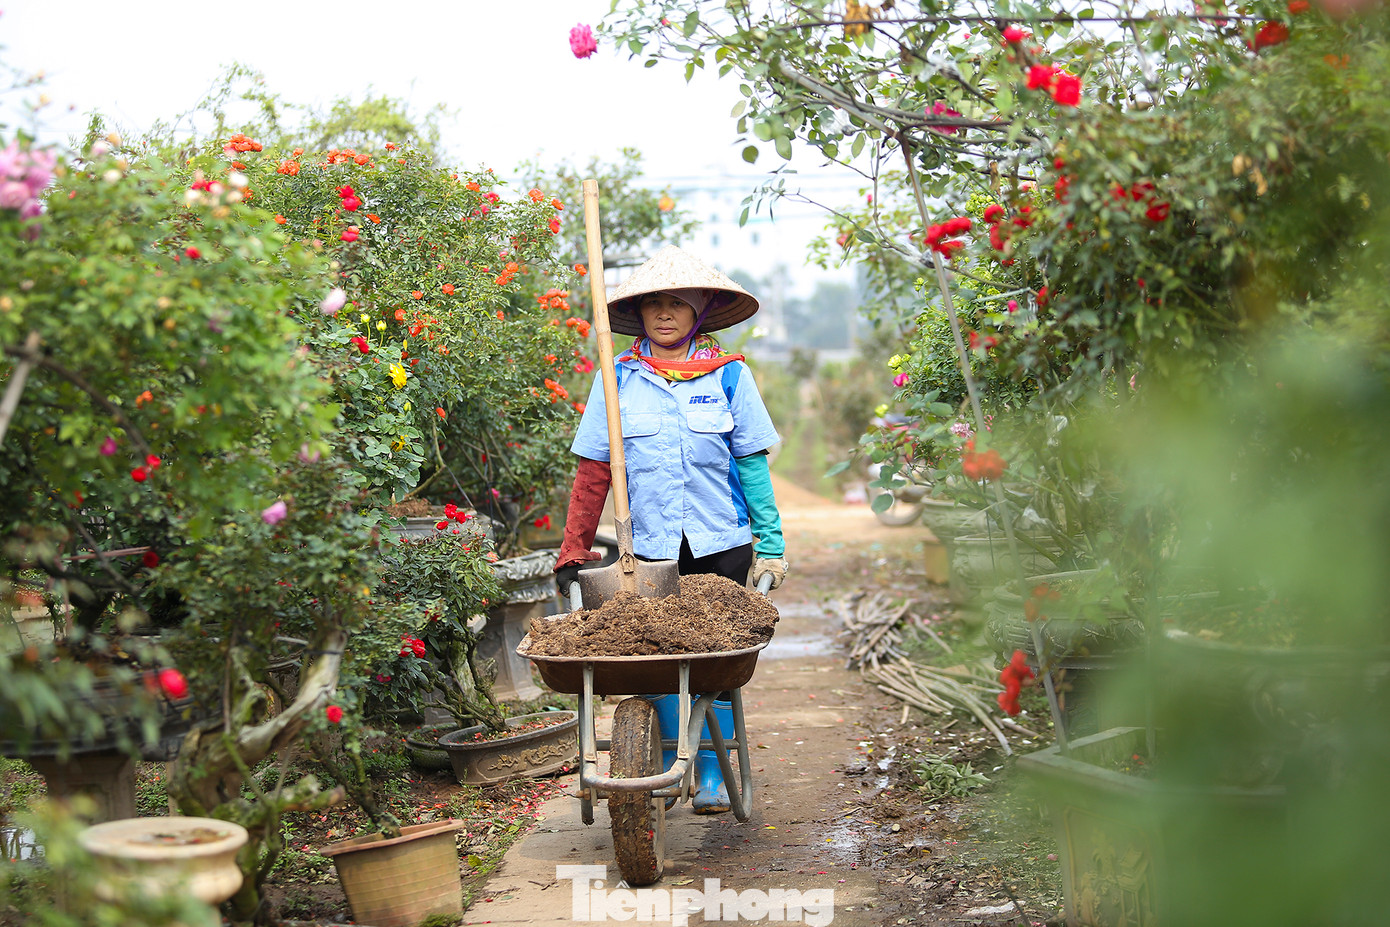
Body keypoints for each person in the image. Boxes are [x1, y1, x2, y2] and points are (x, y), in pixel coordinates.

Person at [553, 245, 788, 813]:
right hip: (647, 550)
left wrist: (772, 546)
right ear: (641, 313)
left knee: (715, 661)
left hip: (721, 544)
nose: (665, 313)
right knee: (653, 656)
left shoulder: (730, 378)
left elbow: (752, 464)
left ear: (701, 310)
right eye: (654, 304)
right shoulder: (617, 382)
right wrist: (573, 549)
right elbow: (592, 473)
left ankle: (708, 768)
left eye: (677, 304)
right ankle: (663, 758)